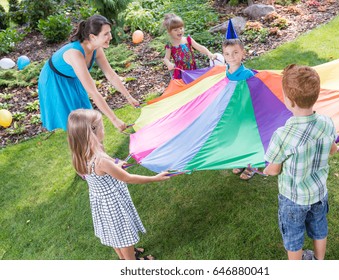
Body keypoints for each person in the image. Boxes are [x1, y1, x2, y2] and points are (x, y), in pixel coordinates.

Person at [67, 109, 170, 260]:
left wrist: (116, 164)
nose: (104, 129)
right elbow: (128, 178)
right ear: (92, 133)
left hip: (100, 203)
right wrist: (155, 178)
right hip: (114, 205)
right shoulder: (100, 159)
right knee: (124, 236)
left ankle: (124, 257)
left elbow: (96, 173)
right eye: (102, 126)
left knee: (113, 234)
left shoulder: (80, 155)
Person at [263, 64, 339, 260]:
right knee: (319, 227)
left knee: (294, 237)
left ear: (290, 101)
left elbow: (273, 170)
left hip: (293, 198)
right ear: (316, 95)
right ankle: (319, 261)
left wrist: (265, 170)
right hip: (319, 193)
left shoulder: (283, 135)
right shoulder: (327, 123)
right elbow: (333, 150)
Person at [38, 15, 139, 132]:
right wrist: (114, 120)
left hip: (71, 76)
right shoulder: (75, 54)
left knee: (88, 118)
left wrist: (128, 97)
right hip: (54, 80)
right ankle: (83, 147)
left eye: (110, 32)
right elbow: (93, 92)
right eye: (105, 34)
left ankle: (94, 147)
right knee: (77, 123)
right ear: (92, 36)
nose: (110, 37)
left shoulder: (96, 49)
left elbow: (110, 75)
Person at [222, 38, 257, 180]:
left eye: (235, 52)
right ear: (223, 56)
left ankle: (252, 164)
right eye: (227, 54)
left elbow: (254, 94)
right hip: (233, 112)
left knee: (249, 136)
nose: (231, 57)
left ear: (243, 53)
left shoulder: (247, 74)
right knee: (237, 136)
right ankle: (241, 160)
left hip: (247, 112)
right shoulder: (226, 72)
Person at [162, 13, 217, 79]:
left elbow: (200, 47)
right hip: (181, 74)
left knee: (194, 86)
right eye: (175, 30)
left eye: (181, 28)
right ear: (169, 32)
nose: (179, 31)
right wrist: (169, 64)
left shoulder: (188, 39)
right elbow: (166, 58)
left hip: (192, 70)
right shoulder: (170, 45)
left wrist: (209, 53)